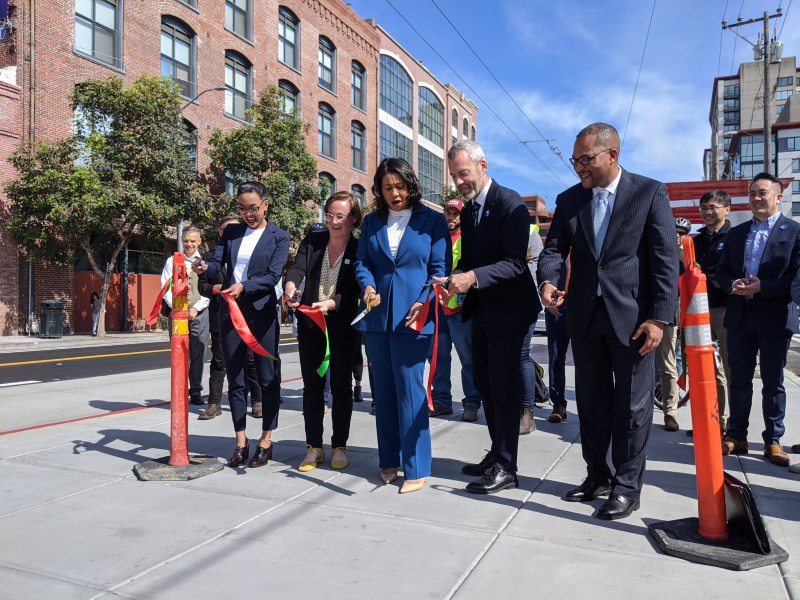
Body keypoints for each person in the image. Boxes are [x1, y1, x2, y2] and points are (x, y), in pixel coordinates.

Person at [538, 122, 679, 520]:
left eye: (586, 159)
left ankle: (627, 487)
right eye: (575, 159)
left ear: (612, 155)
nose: (578, 167)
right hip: (585, 318)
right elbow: (553, 251)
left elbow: (666, 261)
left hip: (635, 321)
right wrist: (548, 282)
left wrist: (659, 318)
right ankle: (597, 476)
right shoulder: (569, 201)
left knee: (632, 408)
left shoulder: (648, 192)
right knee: (593, 404)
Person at [437, 140, 540, 495]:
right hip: (482, 309)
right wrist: (454, 279)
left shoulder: (510, 205)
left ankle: (507, 467)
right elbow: (471, 259)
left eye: (464, 173)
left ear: (483, 165)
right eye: (454, 176)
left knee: (503, 387)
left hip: (511, 311)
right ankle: (497, 453)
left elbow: (514, 263)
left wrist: (471, 278)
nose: (460, 181)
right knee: (484, 381)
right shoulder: (467, 211)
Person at [354, 157, 449, 494]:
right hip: (378, 317)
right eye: (387, 187)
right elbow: (363, 262)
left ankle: (417, 465)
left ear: (411, 185)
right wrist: (366, 285)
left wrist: (424, 300)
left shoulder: (433, 221)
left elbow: (439, 268)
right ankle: (389, 460)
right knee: (384, 392)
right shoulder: (370, 223)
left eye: (400, 186)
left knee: (410, 391)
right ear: (379, 190)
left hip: (414, 316)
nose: (394, 193)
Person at [194, 181, 289, 469]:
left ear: (265, 205)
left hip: (260, 315)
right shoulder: (232, 232)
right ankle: (240, 441)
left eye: (253, 208)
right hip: (230, 313)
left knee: (267, 379)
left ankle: (265, 440)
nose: (248, 214)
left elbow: (272, 277)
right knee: (235, 380)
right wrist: (203, 267)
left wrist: (243, 287)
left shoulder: (279, 237)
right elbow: (216, 262)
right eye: (243, 208)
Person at [717, 172, 800, 467]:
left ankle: (773, 440)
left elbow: (795, 277)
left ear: (778, 197)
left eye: (762, 192)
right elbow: (721, 271)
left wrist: (764, 286)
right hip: (740, 316)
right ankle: (737, 434)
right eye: (752, 193)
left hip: (775, 316)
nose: (756, 198)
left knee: (773, 381)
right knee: (738, 379)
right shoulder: (737, 233)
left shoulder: (794, 232)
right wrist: (733, 284)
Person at [284, 191, 362, 472]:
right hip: (310, 323)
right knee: (313, 386)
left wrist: (333, 303)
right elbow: (297, 270)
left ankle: (339, 445)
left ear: (353, 219)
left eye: (340, 216)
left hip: (342, 325)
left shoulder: (359, 248)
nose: (334, 221)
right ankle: (313, 446)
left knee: (341, 387)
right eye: (329, 215)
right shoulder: (313, 241)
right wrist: (290, 288)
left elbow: (355, 290)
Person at [198, 215, 263, 421]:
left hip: (248, 316)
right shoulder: (209, 258)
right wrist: (214, 289)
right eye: (228, 230)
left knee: (252, 359)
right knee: (219, 359)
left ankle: (257, 401)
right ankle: (214, 403)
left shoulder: (249, 255)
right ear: (220, 232)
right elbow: (202, 286)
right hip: (222, 316)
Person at [428, 198, 483, 422]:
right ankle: (441, 401)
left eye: (455, 213)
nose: (450, 217)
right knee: (439, 358)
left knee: (468, 358)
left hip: (461, 309)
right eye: (448, 213)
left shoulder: (468, 240)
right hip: (438, 308)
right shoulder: (438, 239)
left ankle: (471, 402)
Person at [693, 190, 733, 433]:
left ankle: (733, 426)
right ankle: (711, 421)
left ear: (727, 209)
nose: (708, 212)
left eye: (713, 207)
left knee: (730, 369)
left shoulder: (736, 237)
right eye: (704, 207)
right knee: (704, 371)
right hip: (698, 314)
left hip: (726, 311)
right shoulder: (693, 241)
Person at [160, 226, 210, 406]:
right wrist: (178, 308)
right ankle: (178, 390)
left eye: (193, 241)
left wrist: (196, 308)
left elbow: (208, 289)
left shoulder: (205, 262)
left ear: (199, 242)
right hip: (177, 313)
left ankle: (195, 390)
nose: (189, 244)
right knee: (178, 352)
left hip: (200, 312)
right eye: (186, 240)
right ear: (182, 240)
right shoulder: (172, 261)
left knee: (198, 352)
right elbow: (165, 288)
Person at [655, 217, 690, 432]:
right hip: (642, 314)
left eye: (681, 232)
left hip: (670, 316)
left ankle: (670, 412)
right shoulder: (655, 249)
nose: (676, 235)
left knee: (668, 365)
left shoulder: (684, 257)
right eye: (673, 231)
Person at [518, 229, 544, 435]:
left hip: (525, 300)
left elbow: (537, 265)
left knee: (521, 355)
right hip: (497, 302)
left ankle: (527, 412)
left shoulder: (529, 231)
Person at [545, 257, 570, 423]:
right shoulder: (557, 250)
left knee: (589, 359)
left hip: (585, 305)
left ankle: (591, 404)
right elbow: (545, 270)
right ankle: (558, 404)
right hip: (557, 306)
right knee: (555, 356)